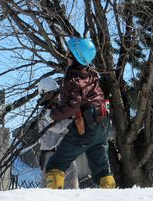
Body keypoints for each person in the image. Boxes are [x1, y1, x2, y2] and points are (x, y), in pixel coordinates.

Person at [44, 37, 116, 189]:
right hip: (103, 125)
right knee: (102, 169)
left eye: (69, 52)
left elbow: (71, 107)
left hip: (86, 127)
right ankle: (110, 199)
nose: (66, 53)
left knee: (56, 163)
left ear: (74, 56)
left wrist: (51, 115)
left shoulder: (73, 79)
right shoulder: (92, 75)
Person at [37, 77, 79, 189]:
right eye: (52, 93)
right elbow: (58, 127)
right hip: (51, 154)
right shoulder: (44, 114)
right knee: (48, 190)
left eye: (56, 92)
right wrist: (72, 119)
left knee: (72, 186)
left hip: (65, 152)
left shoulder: (60, 109)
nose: (56, 96)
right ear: (45, 94)